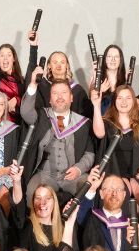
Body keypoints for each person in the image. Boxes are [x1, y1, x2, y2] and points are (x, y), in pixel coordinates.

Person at [20, 64, 94, 201]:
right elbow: (25, 112)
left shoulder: (83, 123)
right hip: (45, 175)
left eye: (64, 93)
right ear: (49, 99)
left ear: (71, 98)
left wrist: (78, 169)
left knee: (89, 187)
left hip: (73, 175)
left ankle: (80, 223)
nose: (60, 97)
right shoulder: (41, 116)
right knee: (32, 192)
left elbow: (89, 153)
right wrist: (32, 84)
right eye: (55, 93)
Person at [91, 85, 139, 204]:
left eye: (128, 98)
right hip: (112, 172)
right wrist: (96, 105)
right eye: (120, 98)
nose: (124, 102)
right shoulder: (107, 123)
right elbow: (99, 134)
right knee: (122, 189)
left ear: (134, 101)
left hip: (137, 172)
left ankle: (138, 222)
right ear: (114, 101)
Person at [10, 176, 63, 251]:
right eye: (38, 198)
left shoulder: (64, 229)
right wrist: (17, 182)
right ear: (33, 202)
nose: (42, 203)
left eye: (47, 198)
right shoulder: (28, 227)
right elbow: (19, 206)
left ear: (54, 202)